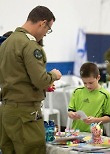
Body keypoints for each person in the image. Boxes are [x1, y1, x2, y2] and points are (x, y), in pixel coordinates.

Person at [0, 6, 62, 154]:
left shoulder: (6, 43)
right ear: (42, 23)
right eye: (48, 29)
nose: (46, 34)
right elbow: (40, 80)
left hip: (7, 111)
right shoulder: (29, 45)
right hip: (26, 114)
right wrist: (53, 75)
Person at [68, 62, 110, 132]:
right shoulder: (77, 92)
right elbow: (70, 111)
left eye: (91, 83)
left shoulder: (105, 95)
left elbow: (109, 118)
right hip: (76, 132)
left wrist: (95, 120)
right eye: (85, 83)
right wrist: (72, 114)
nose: (88, 86)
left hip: (95, 134)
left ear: (98, 77)